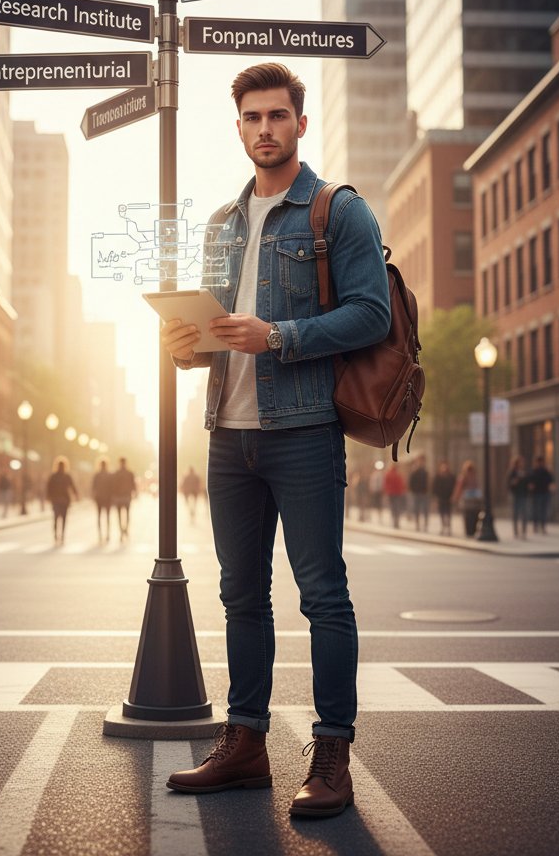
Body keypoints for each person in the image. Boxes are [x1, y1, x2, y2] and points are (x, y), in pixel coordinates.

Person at [160, 63, 390, 819]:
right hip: (228, 434)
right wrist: (185, 343)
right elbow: (210, 337)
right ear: (239, 129)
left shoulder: (337, 211)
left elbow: (371, 316)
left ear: (300, 123)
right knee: (240, 595)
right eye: (252, 117)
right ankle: (246, 743)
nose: (265, 128)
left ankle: (331, 754)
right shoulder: (221, 225)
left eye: (278, 116)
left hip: (304, 431)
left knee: (323, 596)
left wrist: (278, 336)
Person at [46, 457, 78, 546]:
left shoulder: (55, 476)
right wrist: (76, 495)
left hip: (58, 500)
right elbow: (72, 487)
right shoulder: (65, 476)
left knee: (57, 518)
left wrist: (48, 497)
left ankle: (57, 535)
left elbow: (49, 488)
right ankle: (61, 535)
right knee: (62, 519)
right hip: (63, 500)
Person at [452, 460, 483, 537]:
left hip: (467, 501)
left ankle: (469, 531)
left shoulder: (463, 477)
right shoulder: (473, 477)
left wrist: (455, 497)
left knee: (468, 516)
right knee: (474, 515)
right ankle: (472, 530)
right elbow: (478, 488)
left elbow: (458, 488)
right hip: (474, 501)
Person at [527, 454, 554, 534]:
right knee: (536, 511)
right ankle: (535, 526)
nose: (539, 464)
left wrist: (552, 487)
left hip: (545, 493)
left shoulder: (546, 471)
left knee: (543, 511)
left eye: (541, 462)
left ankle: (543, 526)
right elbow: (529, 482)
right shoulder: (533, 471)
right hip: (536, 494)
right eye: (538, 462)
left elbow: (551, 481)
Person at [112, 457, 137, 542]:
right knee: (127, 514)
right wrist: (135, 493)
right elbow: (133, 485)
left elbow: (113, 486)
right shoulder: (129, 473)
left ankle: (122, 531)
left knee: (119, 515)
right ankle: (125, 529)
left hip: (120, 496)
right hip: (126, 496)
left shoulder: (116, 473)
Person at [507, 455, 530, 539]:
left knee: (524, 513)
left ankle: (524, 531)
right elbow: (509, 483)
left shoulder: (524, 472)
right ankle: (516, 531)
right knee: (516, 513)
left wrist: (529, 486)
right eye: (520, 462)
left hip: (523, 495)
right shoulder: (512, 472)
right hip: (515, 495)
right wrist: (515, 481)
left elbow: (528, 482)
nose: (521, 464)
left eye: (522, 463)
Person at [431, 460, 456, 536]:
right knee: (442, 513)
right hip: (440, 498)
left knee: (448, 513)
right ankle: (443, 527)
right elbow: (434, 487)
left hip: (449, 498)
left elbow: (454, 487)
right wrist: (435, 498)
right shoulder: (438, 477)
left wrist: (453, 496)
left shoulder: (451, 477)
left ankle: (449, 528)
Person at [92, 459, 114, 543]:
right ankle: (106, 534)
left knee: (100, 517)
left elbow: (93, 487)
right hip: (106, 498)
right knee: (106, 517)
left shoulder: (97, 475)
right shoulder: (109, 475)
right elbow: (112, 487)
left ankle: (101, 534)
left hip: (100, 498)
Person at [408, 457, 429, 532]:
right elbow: (411, 482)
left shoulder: (425, 472)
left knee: (425, 509)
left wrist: (426, 490)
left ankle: (425, 524)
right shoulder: (414, 472)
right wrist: (412, 490)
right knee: (416, 509)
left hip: (424, 493)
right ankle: (417, 524)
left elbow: (427, 482)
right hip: (416, 493)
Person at [383, 462, 407, 529]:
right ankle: (396, 521)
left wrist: (386, 491)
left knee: (393, 507)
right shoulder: (398, 474)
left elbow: (386, 484)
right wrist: (402, 490)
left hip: (392, 493)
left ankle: (395, 520)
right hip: (397, 493)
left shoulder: (389, 473)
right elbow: (401, 483)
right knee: (396, 507)